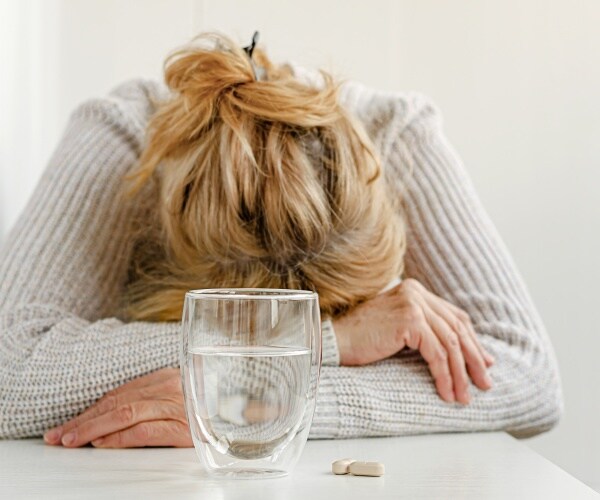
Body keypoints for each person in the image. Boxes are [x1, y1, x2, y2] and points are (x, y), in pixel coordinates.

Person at [0, 32, 563, 448]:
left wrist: (255, 404)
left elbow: (527, 377)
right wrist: (325, 341)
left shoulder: (397, 136)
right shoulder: (123, 134)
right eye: (235, 320)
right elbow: (9, 366)